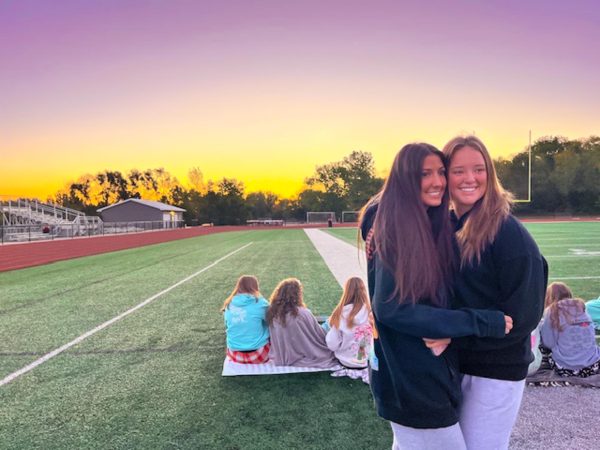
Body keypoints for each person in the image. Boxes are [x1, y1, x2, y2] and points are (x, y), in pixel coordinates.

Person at [360, 143, 513, 450]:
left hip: (426, 377)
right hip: (414, 384)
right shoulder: (396, 224)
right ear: (404, 180)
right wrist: (483, 322)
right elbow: (391, 308)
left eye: (441, 172)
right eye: (424, 174)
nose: (438, 182)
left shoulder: (425, 222)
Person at [441, 135, 547, 450]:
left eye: (478, 169)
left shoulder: (508, 234)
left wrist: (452, 335)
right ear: (444, 175)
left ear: (490, 173)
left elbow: (523, 316)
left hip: (495, 369)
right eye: (458, 170)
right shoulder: (447, 224)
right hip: (454, 362)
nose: (469, 178)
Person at [266, 278, 338, 368]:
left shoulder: (272, 312)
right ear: (297, 294)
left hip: (282, 355)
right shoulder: (303, 313)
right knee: (331, 323)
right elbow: (318, 334)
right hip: (302, 353)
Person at [540, 296, 600, 377]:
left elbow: (548, 343)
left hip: (566, 368)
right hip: (593, 366)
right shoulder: (584, 310)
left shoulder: (552, 313)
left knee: (542, 344)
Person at [325, 277, 372, 369]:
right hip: (367, 361)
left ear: (346, 292)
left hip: (345, 361)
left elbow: (332, 344)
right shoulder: (371, 312)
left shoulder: (340, 313)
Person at [222, 275, 270, 364]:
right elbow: (271, 321)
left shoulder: (228, 303)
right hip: (260, 355)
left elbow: (227, 324)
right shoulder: (261, 302)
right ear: (255, 286)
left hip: (235, 355)